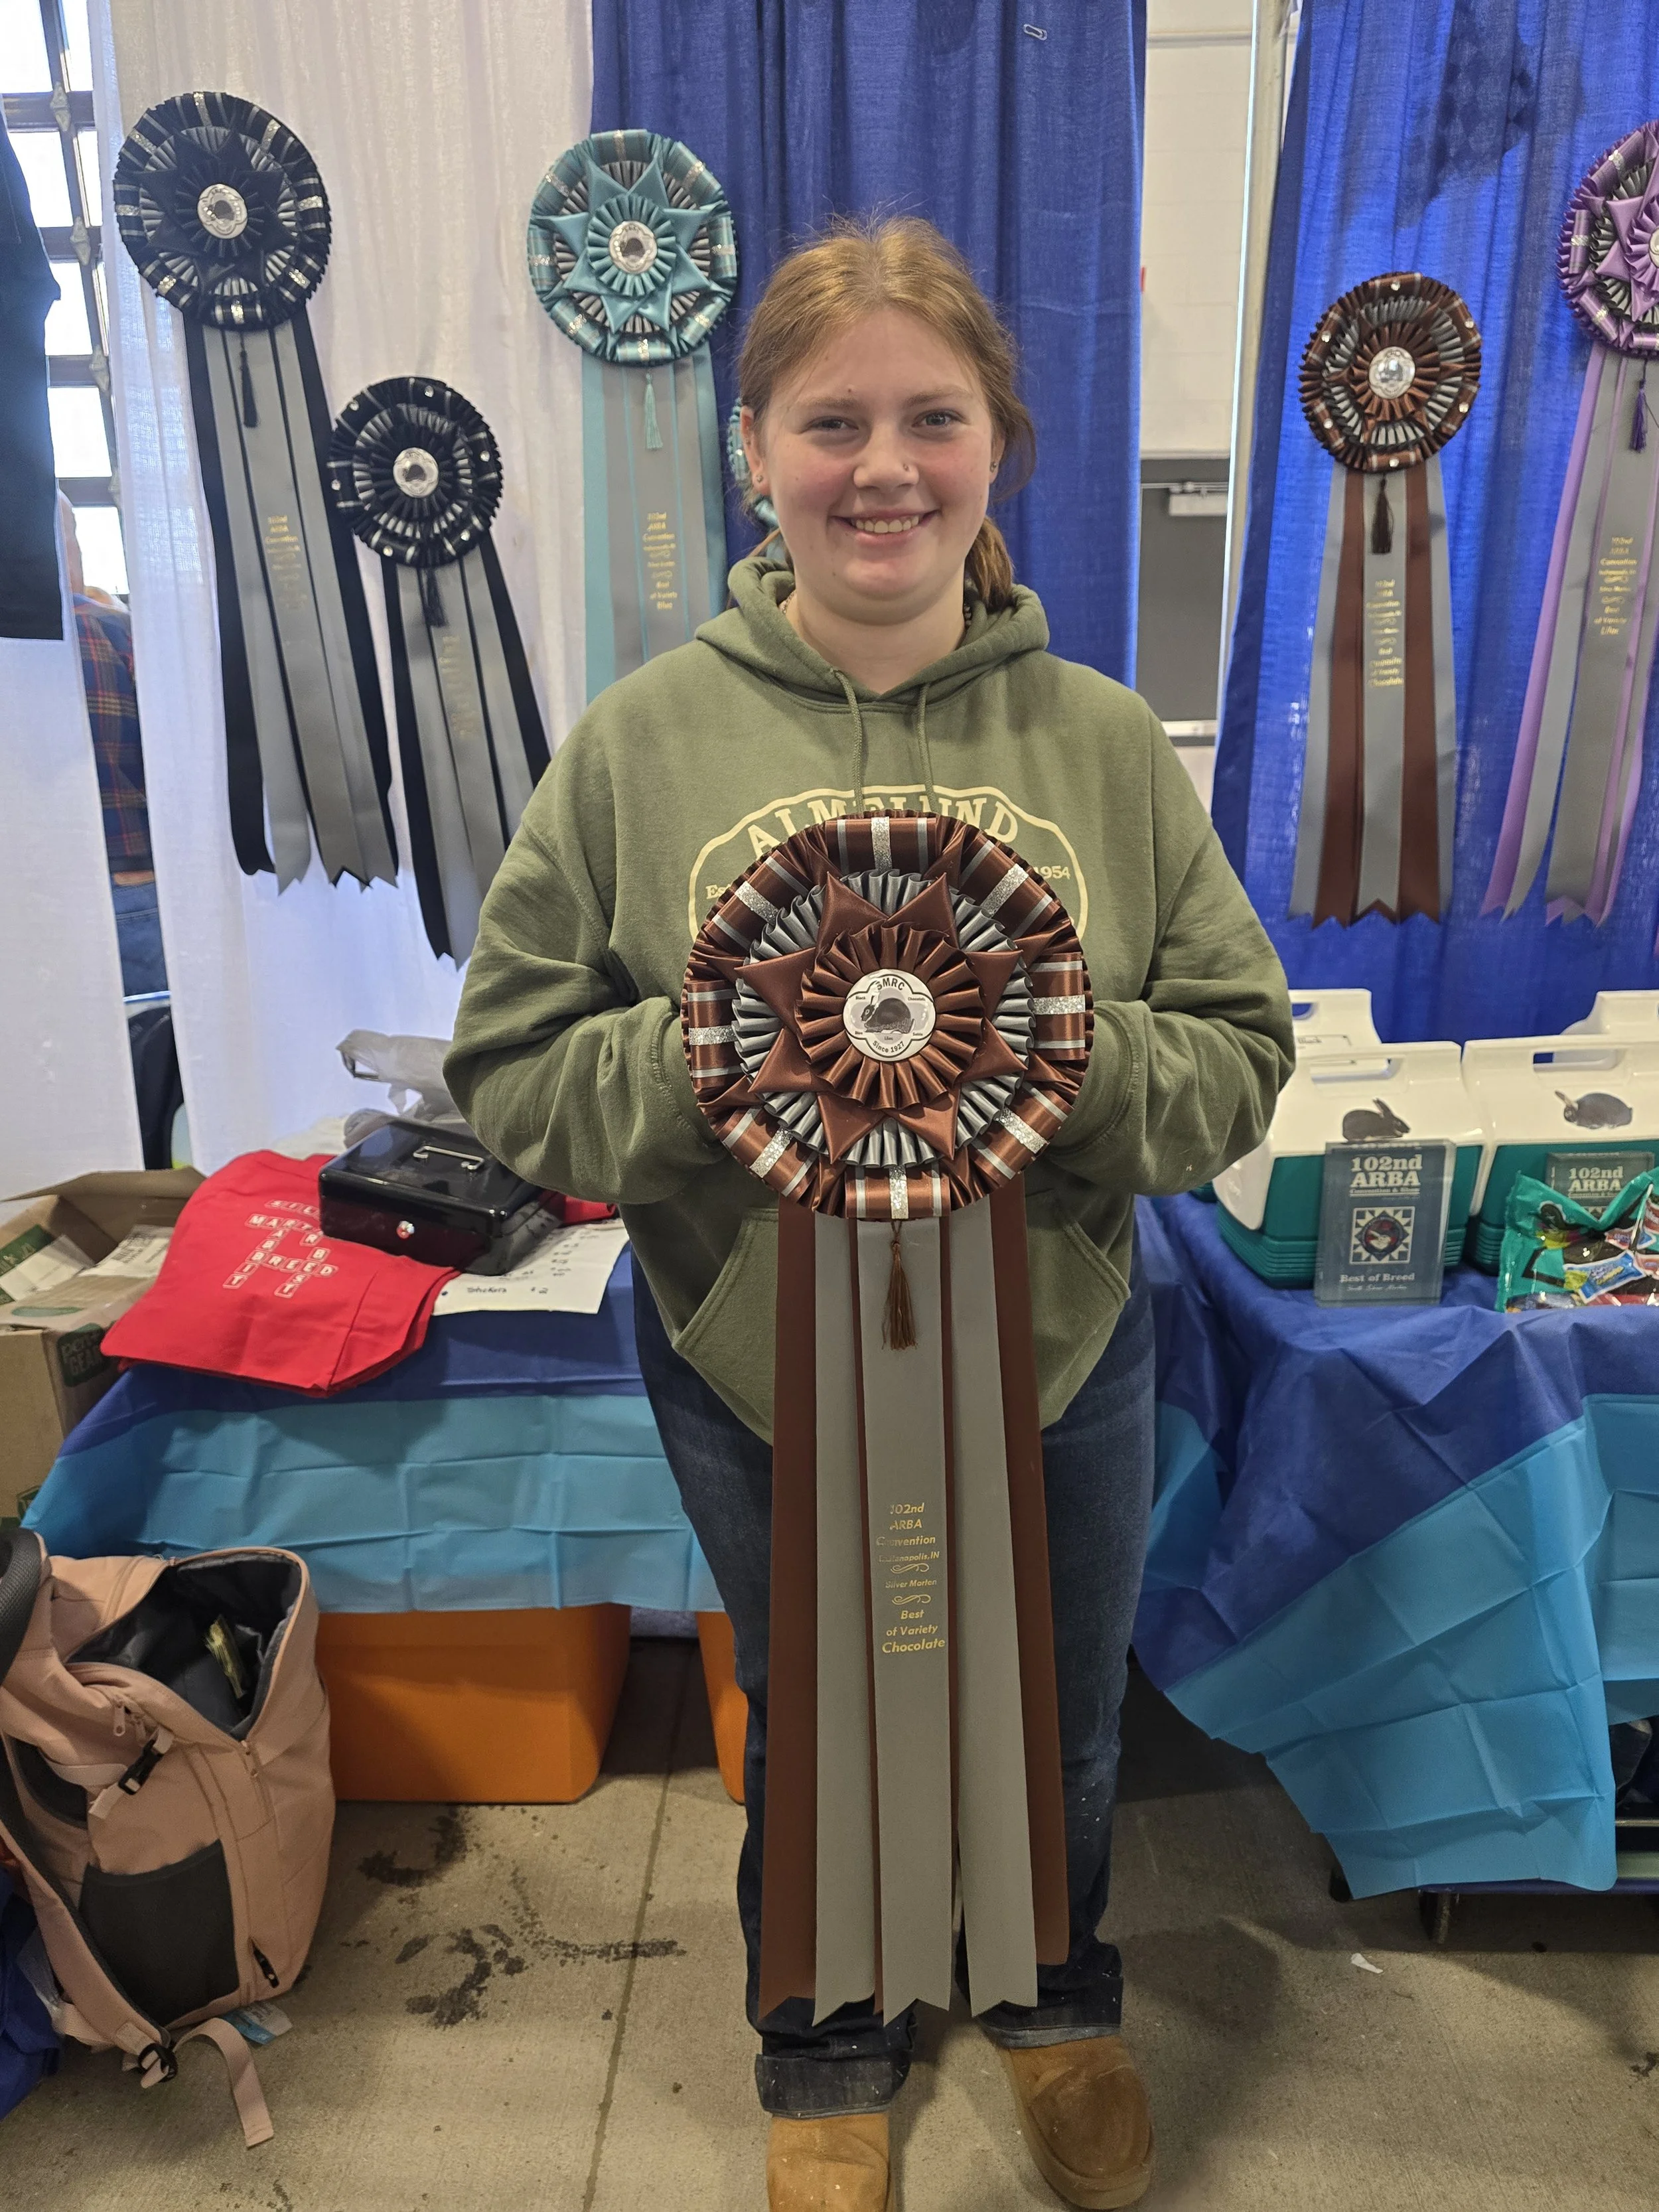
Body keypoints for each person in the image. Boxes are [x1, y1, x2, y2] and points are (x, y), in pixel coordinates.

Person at [447, 216, 1293, 2212]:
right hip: (752, 1346)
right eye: (832, 420)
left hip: (1054, 1342)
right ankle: (820, 2042)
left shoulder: (1096, 741)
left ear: (997, 443)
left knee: (1055, 1704)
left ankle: (1053, 2001)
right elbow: (509, 1066)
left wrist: (1056, 1069)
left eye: (931, 415)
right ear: (755, 449)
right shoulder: (640, 741)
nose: (881, 463)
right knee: (813, 1701)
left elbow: (1237, 1053)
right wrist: (724, 1065)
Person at [60, 495, 166, 997]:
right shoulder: (118, 632)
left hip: (38, 896)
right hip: (135, 883)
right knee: (161, 1060)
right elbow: (175, 766)